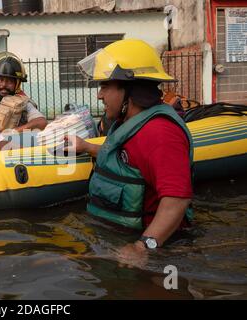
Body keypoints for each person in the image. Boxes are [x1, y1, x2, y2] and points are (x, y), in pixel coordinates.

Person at [65, 39, 193, 263]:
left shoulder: (161, 133)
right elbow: (126, 160)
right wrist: (86, 147)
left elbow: (176, 200)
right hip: (118, 239)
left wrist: (144, 246)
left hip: (158, 249)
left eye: (105, 86)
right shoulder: (130, 123)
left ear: (130, 90)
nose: (99, 95)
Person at [0, 52, 47, 132]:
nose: (3, 85)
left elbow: (41, 122)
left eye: (9, 81)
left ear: (17, 84)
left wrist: (14, 131)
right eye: (0, 80)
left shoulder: (24, 103)